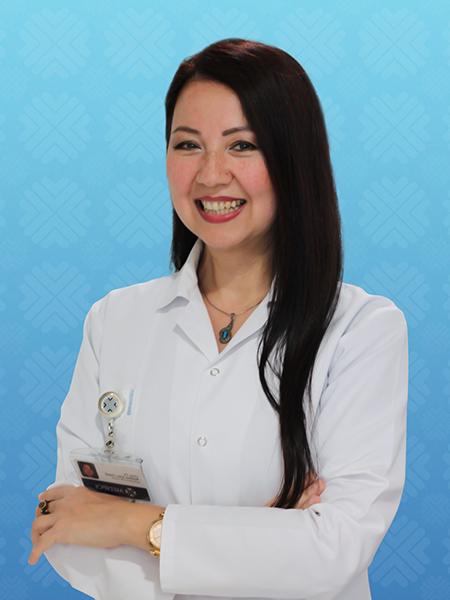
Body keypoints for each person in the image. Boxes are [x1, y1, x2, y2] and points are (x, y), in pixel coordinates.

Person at [29, 39, 408, 600]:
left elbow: (335, 548)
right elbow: (63, 522)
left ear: (294, 158)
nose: (210, 174)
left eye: (242, 145)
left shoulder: (361, 330)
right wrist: (264, 542)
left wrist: (137, 525)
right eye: (188, 145)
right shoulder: (114, 320)